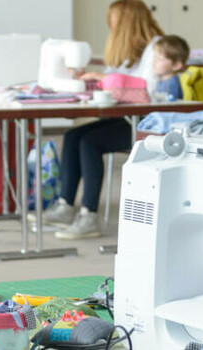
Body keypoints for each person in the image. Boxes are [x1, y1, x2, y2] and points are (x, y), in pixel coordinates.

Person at [36, 1, 172, 240]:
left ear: (127, 22)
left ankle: (89, 215)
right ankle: (66, 205)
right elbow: (113, 84)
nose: (110, 24)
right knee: (73, 135)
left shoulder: (156, 50)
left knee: (90, 142)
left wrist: (105, 79)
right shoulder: (125, 52)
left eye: (114, 20)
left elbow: (147, 91)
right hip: (127, 118)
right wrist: (91, 80)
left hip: (148, 123)